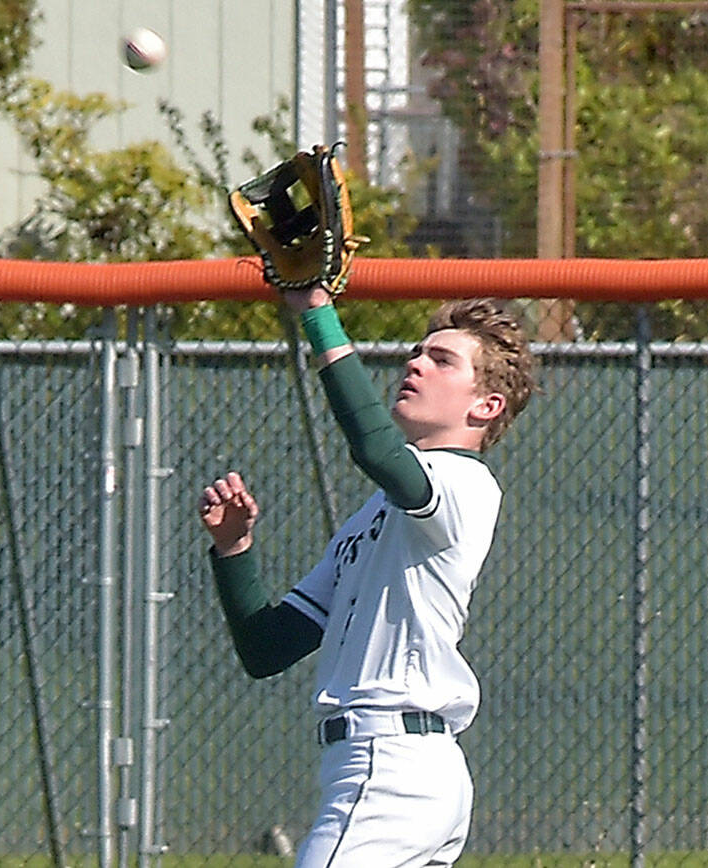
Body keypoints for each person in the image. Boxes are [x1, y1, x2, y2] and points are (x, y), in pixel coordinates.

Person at [198, 286, 537, 867]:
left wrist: (317, 313)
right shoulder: (375, 516)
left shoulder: (463, 483)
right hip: (392, 766)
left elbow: (376, 450)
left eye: (442, 360)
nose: (416, 363)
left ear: (485, 406)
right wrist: (235, 548)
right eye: (417, 352)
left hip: (392, 767)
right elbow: (268, 647)